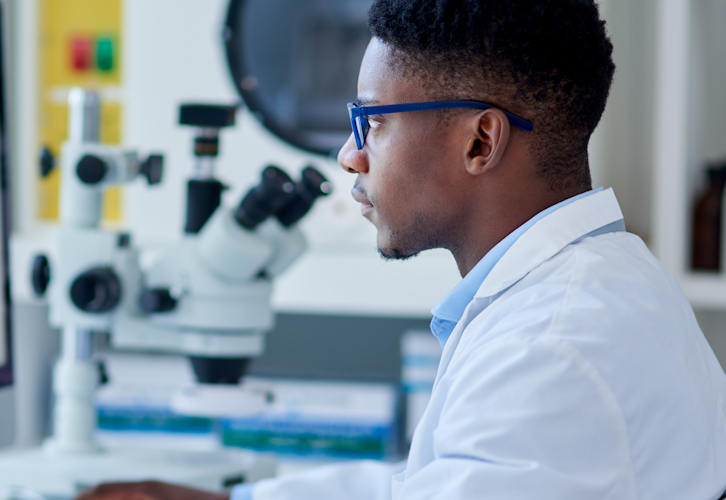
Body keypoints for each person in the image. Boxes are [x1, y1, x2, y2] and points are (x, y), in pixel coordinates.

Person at [78, 0, 726, 498]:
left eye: (375, 122)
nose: (349, 154)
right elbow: (431, 486)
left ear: (480, 141)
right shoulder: (588, 286)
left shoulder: (554, 350)